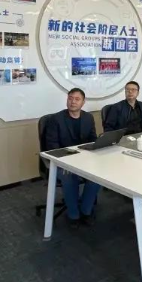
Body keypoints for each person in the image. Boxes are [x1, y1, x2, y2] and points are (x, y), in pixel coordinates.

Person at [44, 88, 99, 229]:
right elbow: (52, 146)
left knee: (98, 176)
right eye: (70, 98)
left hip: (83, 159)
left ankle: (86, 210)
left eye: (77, 99)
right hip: (61, 160)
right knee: (69, 177)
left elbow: (93, 140)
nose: (73, 102)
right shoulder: (55, 119)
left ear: (83, 102)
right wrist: (70, 159)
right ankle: (73, 215)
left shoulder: (88, 118)